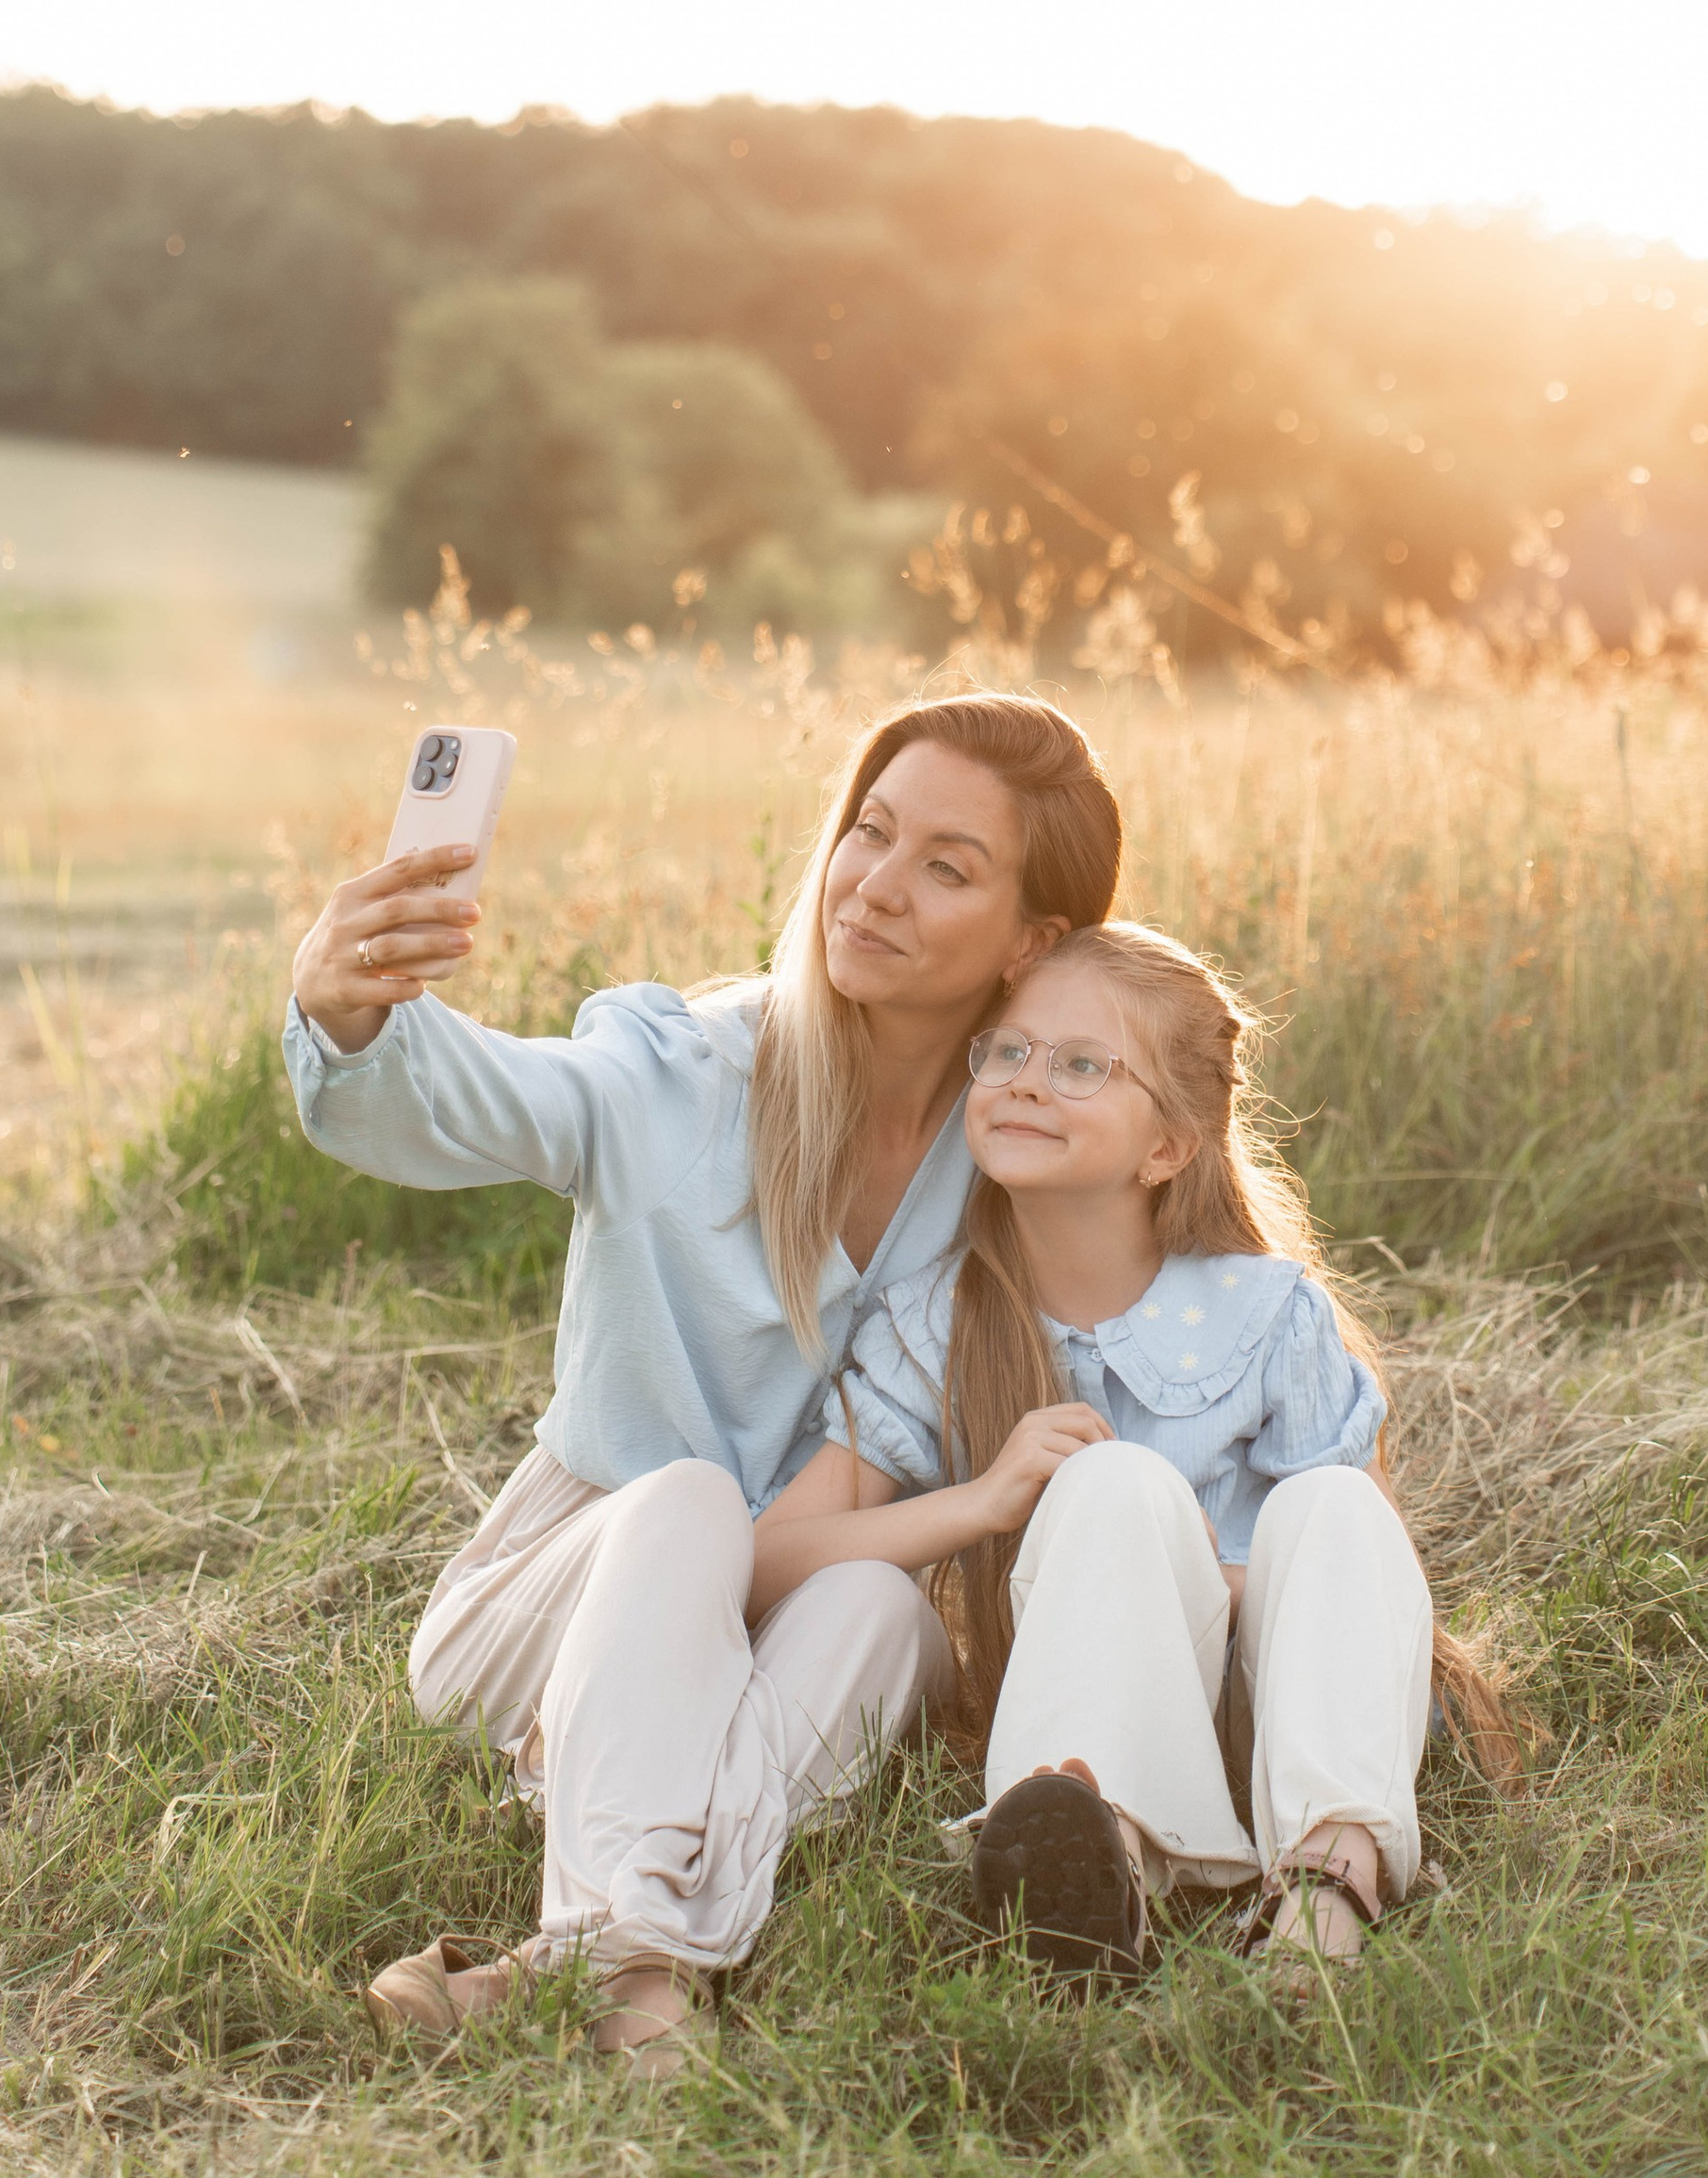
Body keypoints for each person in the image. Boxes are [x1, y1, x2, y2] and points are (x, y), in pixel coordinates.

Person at [284, 689, 1122, 2070]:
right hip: (564, 1585)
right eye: (870, 832)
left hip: (786, 1599)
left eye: (945, 866)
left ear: (1033, 939)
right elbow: (516, 1095)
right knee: (684, 1502)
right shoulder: (687, 1065)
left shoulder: (1008, 1155)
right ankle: (633, 1959)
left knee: (886, 1617)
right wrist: (354, 1014)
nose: (875, 885)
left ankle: (596, 1956)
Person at [749, 919, 1517, 1986]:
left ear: (1166, 1147)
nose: (1024, 1083)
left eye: (1079, 1067)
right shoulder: (934, 1322)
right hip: (1092, 1714)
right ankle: (1090, 1864)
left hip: (1278, 1717)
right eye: (1007, 1051)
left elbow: (1365, 1580)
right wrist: (978, 1502)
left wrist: (1211, 1581)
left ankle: (1325, 1885)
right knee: (1110, 1482)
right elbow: (766, 1561)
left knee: (1333, 1507)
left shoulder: (1267, 1313)